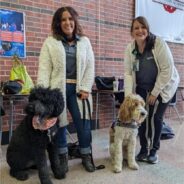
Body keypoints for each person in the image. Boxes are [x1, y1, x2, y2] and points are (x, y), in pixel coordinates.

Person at [36, 6, 95, 178]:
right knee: (59, 125)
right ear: (58, 23)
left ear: (75, 21)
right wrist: (44, 95)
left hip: (79, 90)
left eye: (70, 19)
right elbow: (44, 69)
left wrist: (85, 87)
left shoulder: (85, 42)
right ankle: (61, 157)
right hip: (57, 91)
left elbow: (90, 66)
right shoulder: (50, 42)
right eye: (63, 20)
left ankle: (86, 155)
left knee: (83, 124)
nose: (67, 22)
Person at [124, 16, 180, 164]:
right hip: (142, 87)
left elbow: (167, 70)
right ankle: (143, 149)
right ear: (132, 32)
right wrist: (129, 96)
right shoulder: (131, 49)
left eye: (143, 27)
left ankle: (153, 151)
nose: (140, 30)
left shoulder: (158, 44)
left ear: (148, 30)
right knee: (140, 117)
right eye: (136, 28)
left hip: (163, 86)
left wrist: (155, 93)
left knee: (155, 118)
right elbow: (128, 74)